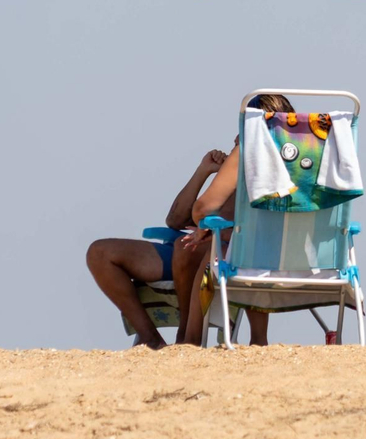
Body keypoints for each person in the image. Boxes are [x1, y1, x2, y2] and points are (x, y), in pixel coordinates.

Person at [84, 94, 293, 349]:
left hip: (227, 250)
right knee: (100, 253)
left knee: (187, 248)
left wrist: (213, 229)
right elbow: (174, 220)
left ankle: (187, 340)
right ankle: (151, 339)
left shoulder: (278, 171)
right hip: (195, 244)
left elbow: (237, 223)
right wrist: (204, 171)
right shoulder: (240, 164)